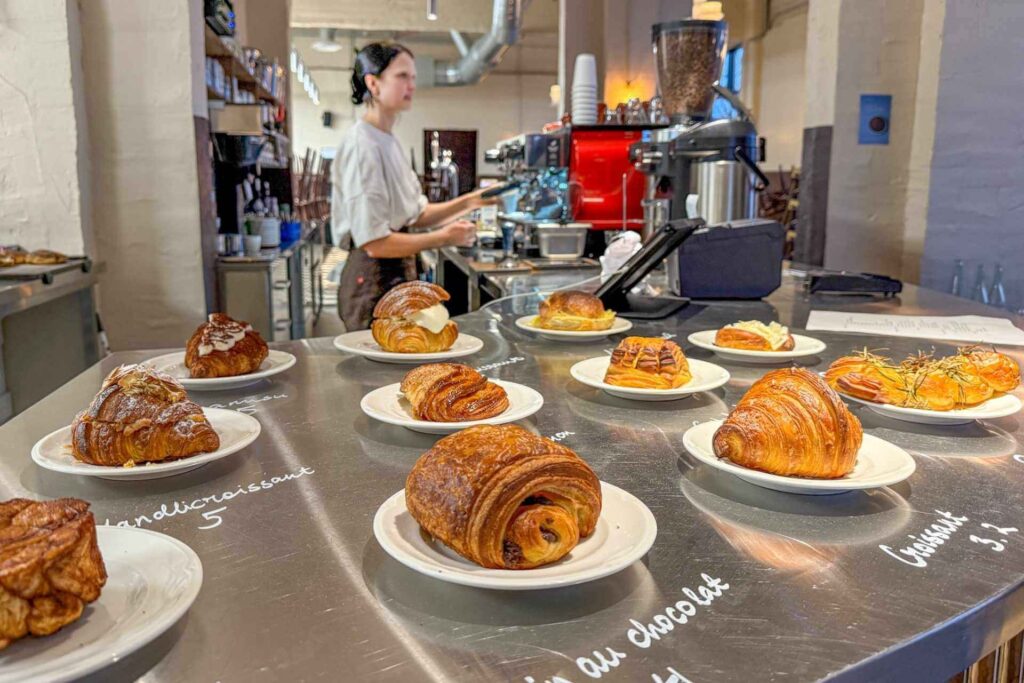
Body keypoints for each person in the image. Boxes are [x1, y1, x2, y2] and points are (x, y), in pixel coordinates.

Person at [331, 42, 496, 330]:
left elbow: (415, 214)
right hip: (372, 279)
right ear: (373, 83)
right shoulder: (363, 146)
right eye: (402, 76)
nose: (412, 85)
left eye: (414, 78)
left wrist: (470, 201)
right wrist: (443, 238)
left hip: (396, 271)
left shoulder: (388, 140)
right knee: (378, 370)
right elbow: (375, 242)